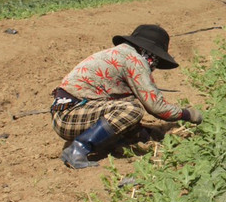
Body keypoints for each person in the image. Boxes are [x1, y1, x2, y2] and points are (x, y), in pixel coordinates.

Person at [50, 24, 204, 169]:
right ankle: (78, 150)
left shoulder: (120, 54)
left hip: (67, 113)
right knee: (132, 109)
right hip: (71, 115)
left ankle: (117, 143)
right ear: (151, 53)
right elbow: (157, 108)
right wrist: (189, 114)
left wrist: (144, 135)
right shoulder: (134, 60)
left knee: (127, 106)